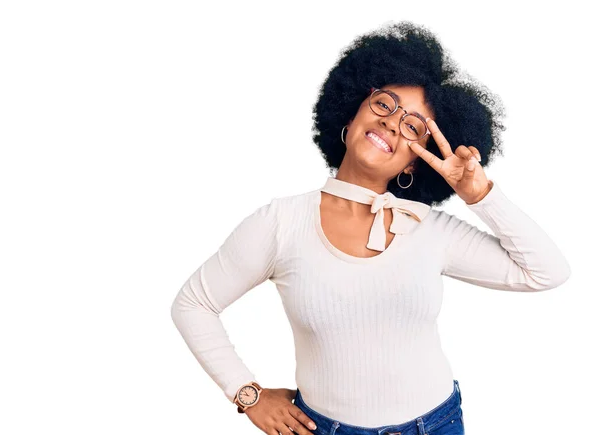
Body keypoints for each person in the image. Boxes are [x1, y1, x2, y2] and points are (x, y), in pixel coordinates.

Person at [170, 21, 571, 435]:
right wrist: (247, 395)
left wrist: (479, 193)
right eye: (385, 105)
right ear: (355, 109)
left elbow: (546, 271)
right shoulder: (281, 223)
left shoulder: (429, 230)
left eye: (414, 127)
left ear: (415, 162)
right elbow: (193, 304)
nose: (392, 124)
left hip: (434, 425)